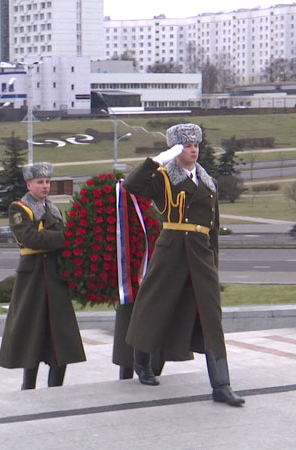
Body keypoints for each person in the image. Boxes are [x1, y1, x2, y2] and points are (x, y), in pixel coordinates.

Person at [122, 123, 245, 407]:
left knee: (211, 317)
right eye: (187, 145)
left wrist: (213, 260)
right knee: (155, 308)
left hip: (200, 254)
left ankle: (221, 385)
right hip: (172, 251)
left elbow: (212, 227)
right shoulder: (164, 178)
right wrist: (157, 160)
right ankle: (142, 362)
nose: (193, 149)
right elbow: (132, 186)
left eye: (196, 144)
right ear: (177, 149)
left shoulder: (208, 182)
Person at [0, 163, 86, 389]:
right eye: (40, 182)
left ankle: (56, 386)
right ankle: (29, 387)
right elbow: (30, 238)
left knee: (60, 334)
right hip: (33, 277)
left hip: (55, 276)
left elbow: (45, 236)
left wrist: (59, 238)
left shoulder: (53, 209)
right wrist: (66, 237)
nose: (45, 186)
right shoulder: (19, 208)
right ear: (29, 185)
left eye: (47, 182)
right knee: (31, 333)